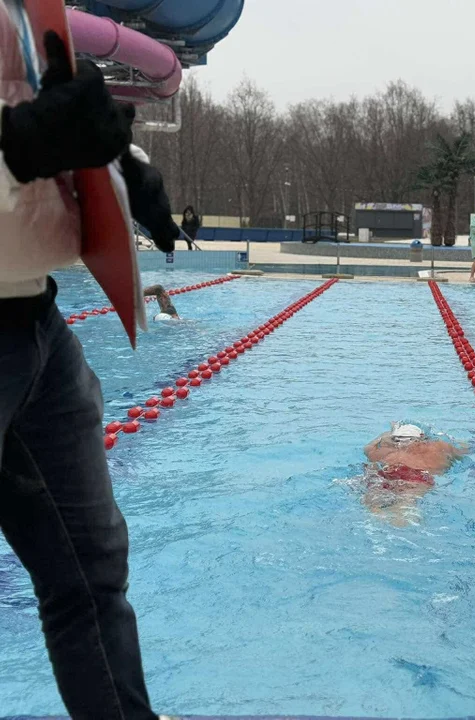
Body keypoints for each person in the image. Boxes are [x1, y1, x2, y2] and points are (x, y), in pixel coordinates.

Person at [0, 16, 179, 720]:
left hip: (34, 320)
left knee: (90, 568)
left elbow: (38, 104)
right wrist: (19, 151)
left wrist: (114, 170)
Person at [362, 424, 466, 526]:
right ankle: (402, 525)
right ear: (421, 438)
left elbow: (368, 447)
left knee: (374, 501)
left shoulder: (382, 451)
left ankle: (375, 515)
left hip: (387, 473)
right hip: (416, 477)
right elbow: (464, 450)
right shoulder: (437, 447)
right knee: (407, 504)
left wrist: (385, 436)